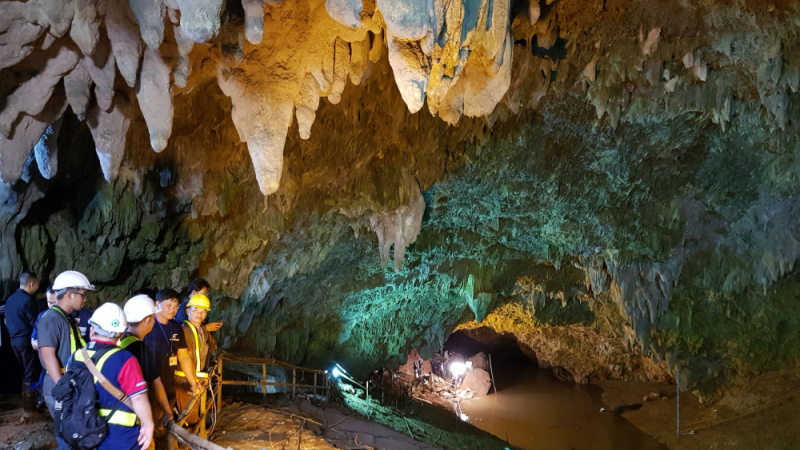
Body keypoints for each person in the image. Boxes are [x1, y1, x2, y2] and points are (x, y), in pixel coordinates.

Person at [68, 303, 154, 450]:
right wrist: (148, 424)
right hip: (120, 437)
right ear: (120, 334)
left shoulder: (75, 357)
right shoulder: (125, 359)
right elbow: (138, 397)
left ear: (92, 329)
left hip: (84, 432)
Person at [37, 271, 91, 450]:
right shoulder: (51, 319)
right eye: (83, 294)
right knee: (67, 438)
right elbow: (47, 355)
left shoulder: (67, 319)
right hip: (59, 387)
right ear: (70, 294)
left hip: (72, 383)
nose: (85, 299)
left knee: (76, 436)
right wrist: (62, 386)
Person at [143, 289, 194, 450]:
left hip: (168, 385)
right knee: (148, 426)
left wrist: (193, 382)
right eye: (168, 305)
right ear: (157, 305)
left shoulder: (176, 328)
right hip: (148, 387)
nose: (173, 309)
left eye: (176, 306)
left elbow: (184, 356)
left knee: (164, 425)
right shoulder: (147, 326)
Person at [121, 295, 172, 430]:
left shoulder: (120, 340)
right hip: (134, 415)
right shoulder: (140, 348)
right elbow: (157, 384)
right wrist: (167, 411)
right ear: (148, 319)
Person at [174, 294, 216, 435]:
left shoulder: (202, 330)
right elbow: (183, 357)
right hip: (185, 380)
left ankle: (197, 438)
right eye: (196, 310)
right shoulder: (183, 330)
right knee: (189, 417)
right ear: (188, 311)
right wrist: (193, 381)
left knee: (197, 413)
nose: (199, 314)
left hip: (198, 378)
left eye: (203, 311)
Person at [5, 272, 42, 414]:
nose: (37, 288)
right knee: (31, 373)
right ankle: (30, 409)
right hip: (27, 341)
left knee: (25, 371)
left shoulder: (10, 300)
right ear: (31, 284)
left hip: (13, 342)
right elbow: (35, 323)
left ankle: (27, 406)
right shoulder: (27, 301)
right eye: (37, 285)